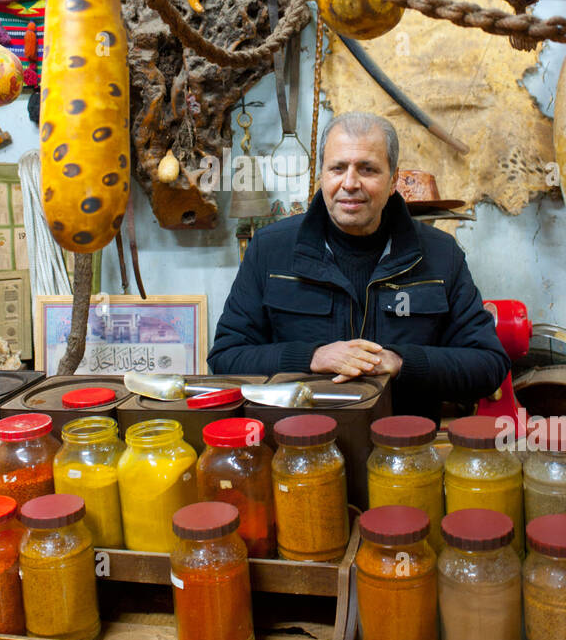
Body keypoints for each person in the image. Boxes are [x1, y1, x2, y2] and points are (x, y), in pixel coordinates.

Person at [208, 111, 509, 427]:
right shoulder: (269, 250)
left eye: (368, 169)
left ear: (393, 181)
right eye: (337, 168)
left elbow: (487, 365)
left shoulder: (440, 255)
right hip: (297, 451)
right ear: (321, 176)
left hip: (405, 455)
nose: (350, 183)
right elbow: (226, 359)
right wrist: (312, 358)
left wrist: (400, 362)